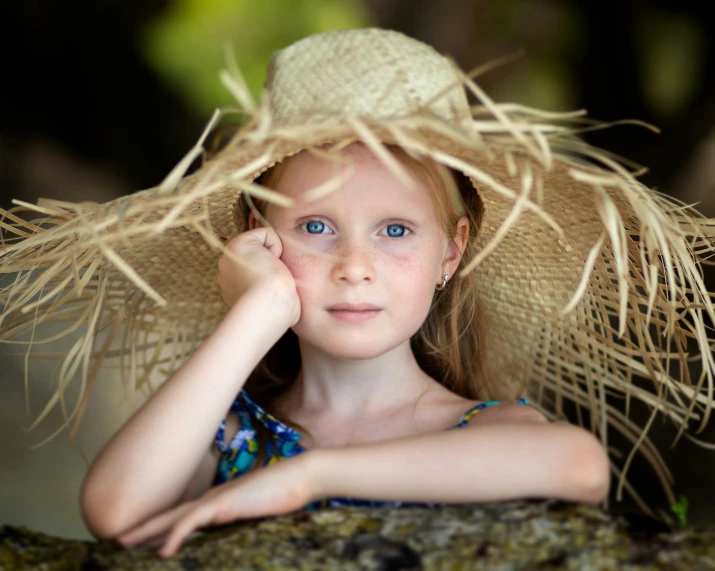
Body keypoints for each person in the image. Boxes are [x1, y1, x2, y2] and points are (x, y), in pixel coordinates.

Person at [0, 28, 713, 559]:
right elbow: (113, 507)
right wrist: (254, 313)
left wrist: (309, 477)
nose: (353, 264)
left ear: (451, 253)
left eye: (395, 230)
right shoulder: (232, 435)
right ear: (259, 237)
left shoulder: (474, 429)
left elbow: (578, 465)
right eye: (315, 226)